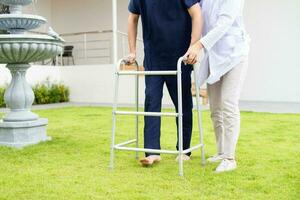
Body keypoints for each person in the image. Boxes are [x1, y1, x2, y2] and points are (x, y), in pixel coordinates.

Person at [127, 0, 203, 166]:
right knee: (151, 102)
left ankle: (184, 150)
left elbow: (197, 14)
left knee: (183, 104)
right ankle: (152, 152)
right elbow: (132, 18)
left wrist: (194, 46)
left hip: (180, 57)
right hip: (154, 58)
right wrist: (132, 51)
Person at [185, 0, 250, 172]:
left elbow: (224, 23)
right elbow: (199, 19)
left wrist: (198, 45)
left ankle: (230, 158)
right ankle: (221, 152)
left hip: (235, 54)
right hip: (214, 56)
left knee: (228, 103)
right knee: (215, 109)